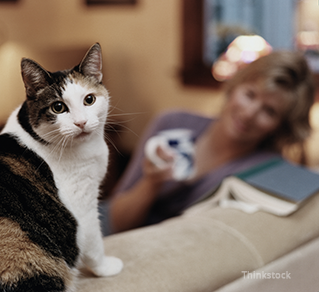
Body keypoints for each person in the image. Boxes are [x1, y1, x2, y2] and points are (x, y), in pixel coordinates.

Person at [101, 51, 316, 235]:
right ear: (234, 87)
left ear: (281, 126)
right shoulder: (172, 122)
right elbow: (117, 221)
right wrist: (151, 183)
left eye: (269, 111)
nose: (250, 114)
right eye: (250, 95)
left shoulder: (268, 167)